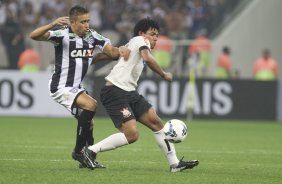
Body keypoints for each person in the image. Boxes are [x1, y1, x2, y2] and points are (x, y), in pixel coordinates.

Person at [82, 17, 199, 172]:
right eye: (152, 34)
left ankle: (175, 164)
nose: (155, 38)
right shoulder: (140, 40)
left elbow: (109, 54)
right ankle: (89, 151)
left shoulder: (133, 43)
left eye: (157, 35)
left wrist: (88, 61)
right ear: (142, 33)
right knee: (132, 134)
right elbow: (147, 58)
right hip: (115, 91)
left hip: (129, 91)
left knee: (156, 122)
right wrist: (163, 74)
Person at [29, 5, 130, 168]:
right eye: (83, 22)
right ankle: (79, 152)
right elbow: (34, 35)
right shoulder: (62, 35)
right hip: (61, 86)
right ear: (73, 22)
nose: (87, 25)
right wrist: (52, 24)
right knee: (91, 105)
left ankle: (87, 158)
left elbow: (112, 53)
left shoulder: (92, 36)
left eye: (88, 21)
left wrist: (124, 50)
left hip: (76, 86)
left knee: (89, 123)